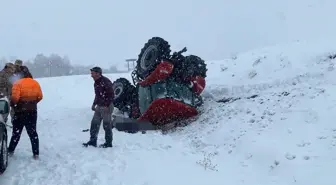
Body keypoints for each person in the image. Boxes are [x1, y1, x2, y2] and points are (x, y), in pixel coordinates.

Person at [8, 66, 43, 159]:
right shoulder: (35, 83)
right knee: (33, 133)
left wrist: (13, 104)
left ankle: (10, 150)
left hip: (20, 112)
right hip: (32, 112)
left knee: (16, 133)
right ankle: (36, 153)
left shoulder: (17, 83)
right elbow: (40, 96)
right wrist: (32, 103)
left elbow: (15, 99)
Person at [83, 66, 114, 148]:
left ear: (98, 73)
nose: (91, 75)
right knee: (94, 124)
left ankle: (108, 143)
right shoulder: (96, 83)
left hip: (107, 107)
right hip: (99, 106)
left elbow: (111, 95)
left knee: (107, 126)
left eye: (92, 73)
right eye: (91, 73)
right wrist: (94, 104)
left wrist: (107, 105)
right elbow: (98, 95)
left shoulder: (106, 82)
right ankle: (93, 141)